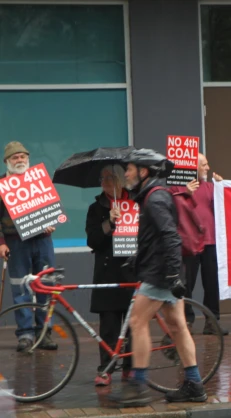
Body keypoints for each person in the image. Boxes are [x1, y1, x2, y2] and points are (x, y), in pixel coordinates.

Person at [110, 149, 207, 405]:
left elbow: (170, 237)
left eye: (129, 169)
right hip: (162, 270)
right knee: (177, 325)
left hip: (161, 273)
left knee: (137, 321)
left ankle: (138, 386)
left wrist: (174, 274)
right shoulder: (151, 197)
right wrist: (136, 259)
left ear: (144, 172)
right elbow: (154, 238)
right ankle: (194, 385)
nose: (126, 174)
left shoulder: (155, 198)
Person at [0, 142, 57, 352]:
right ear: (7, 161)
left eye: (23, 157)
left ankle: (45, 333)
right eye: (15, 158)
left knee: (46, 285)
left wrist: (51, 222)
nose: (20, 160)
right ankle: (25, 335)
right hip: (16, 243)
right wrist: (1, 243)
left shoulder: (39, 181)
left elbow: (52, 210)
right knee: (20, 288)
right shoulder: (1, 185)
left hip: (42, 241)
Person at [85, 165, 135, 386]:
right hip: (107, 272)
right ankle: (106, 369)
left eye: (109, 177)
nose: (104, 181)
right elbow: (92, 241)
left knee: (134, 324)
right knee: (109, 326)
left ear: (120, 180)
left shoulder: (136, 202)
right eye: (102, 177)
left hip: (132, 269)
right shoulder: (95, 208)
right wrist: (109, 223)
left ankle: (131, 367)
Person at [171, 153, 227, 336]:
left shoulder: (211, 187)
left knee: (212, 284)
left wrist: (221, 187)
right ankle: (186, 322)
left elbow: (225, 205)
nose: (208, 168)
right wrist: (184, 193)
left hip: (210, 241)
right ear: (192, 167)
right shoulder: (178, 186)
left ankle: (212, 323)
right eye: (204, 164)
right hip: (189, 242)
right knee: (187, 284)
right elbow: (170, 204)